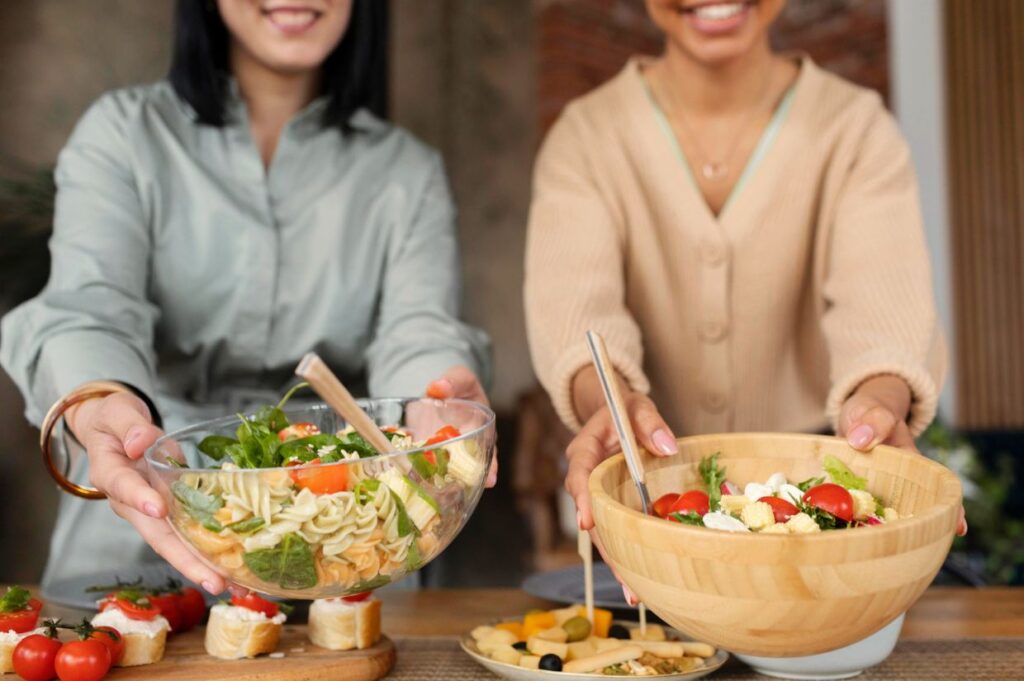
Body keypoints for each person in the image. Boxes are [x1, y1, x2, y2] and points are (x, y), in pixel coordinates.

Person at [1, 0, 490, 596]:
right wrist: (103, 404)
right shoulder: (125, 133)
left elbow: (419, 328)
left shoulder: (407, 171)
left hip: (349, 535)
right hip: (151, 502)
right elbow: (90, 306)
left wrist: (432, 407)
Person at [524, 0, 966, 595]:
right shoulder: (586, 137)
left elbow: (882, 306)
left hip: (819, 516)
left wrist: (878, 402)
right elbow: (577, 308)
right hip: (650, 496)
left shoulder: (857, 129)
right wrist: (611, 401)